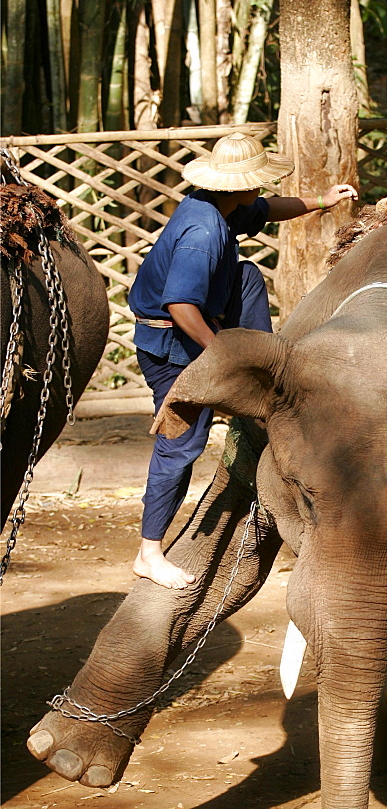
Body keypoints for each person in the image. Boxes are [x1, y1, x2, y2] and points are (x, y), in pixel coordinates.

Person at [128, 131, 357, 589]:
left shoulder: (220, 205)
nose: (262, 190)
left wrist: (320, 201)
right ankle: (149, 552)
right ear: (244, 184)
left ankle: (261, 380)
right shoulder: (203, 231)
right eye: (260, 182)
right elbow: (180, 306)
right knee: (181, 444)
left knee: (247, 274)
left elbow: (267, 211)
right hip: (170, 343)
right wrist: (225, 356)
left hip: (193, 323)